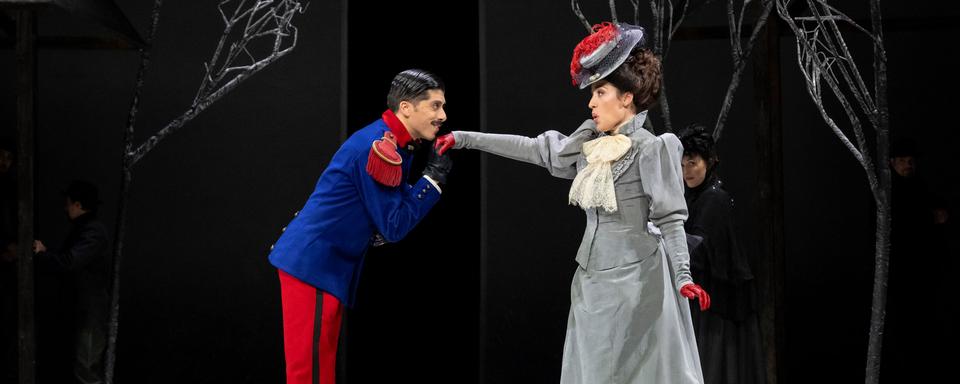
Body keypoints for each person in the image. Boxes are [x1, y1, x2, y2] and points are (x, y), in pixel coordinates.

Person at [436, 22, 709, 384]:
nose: (592, 102)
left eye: (601, 92)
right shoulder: (588, 145)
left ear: (627, 97)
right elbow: (533, 148)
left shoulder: (653, 148)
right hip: (592, 279)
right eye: (592, 94)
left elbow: (671, 220)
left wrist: (683, 277)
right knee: (592, 371)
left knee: (642, 373)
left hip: (641, 281)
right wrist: (464, 138)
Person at [268, 69, 453, 384]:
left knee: (319, 368)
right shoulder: (379, 148)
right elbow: (393, 225)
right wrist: (432, 179)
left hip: (324, 265)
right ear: (406, 107)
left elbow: (388, 209)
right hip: (312, 265)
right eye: (434, 105)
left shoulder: (395, 143)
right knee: (308, 374)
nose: (442, 115)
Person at [677, 124, 765, 384]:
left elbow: (700, 246)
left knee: (713, 364)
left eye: (692, 163)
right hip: (703, 294)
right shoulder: (694, 196)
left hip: (715, 299)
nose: (687, 171)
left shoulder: (714, 198)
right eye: (682, 165)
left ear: (709, 161)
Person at [33, 180, 110, 384]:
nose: (65, 207)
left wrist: (43, 254)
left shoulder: (93, 232)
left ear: (77, 204)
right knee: (79, 367)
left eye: (68, 203)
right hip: (81, 311)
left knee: (86, 369)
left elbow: (69, 262)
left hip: (90, 313)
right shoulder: (85, 230)